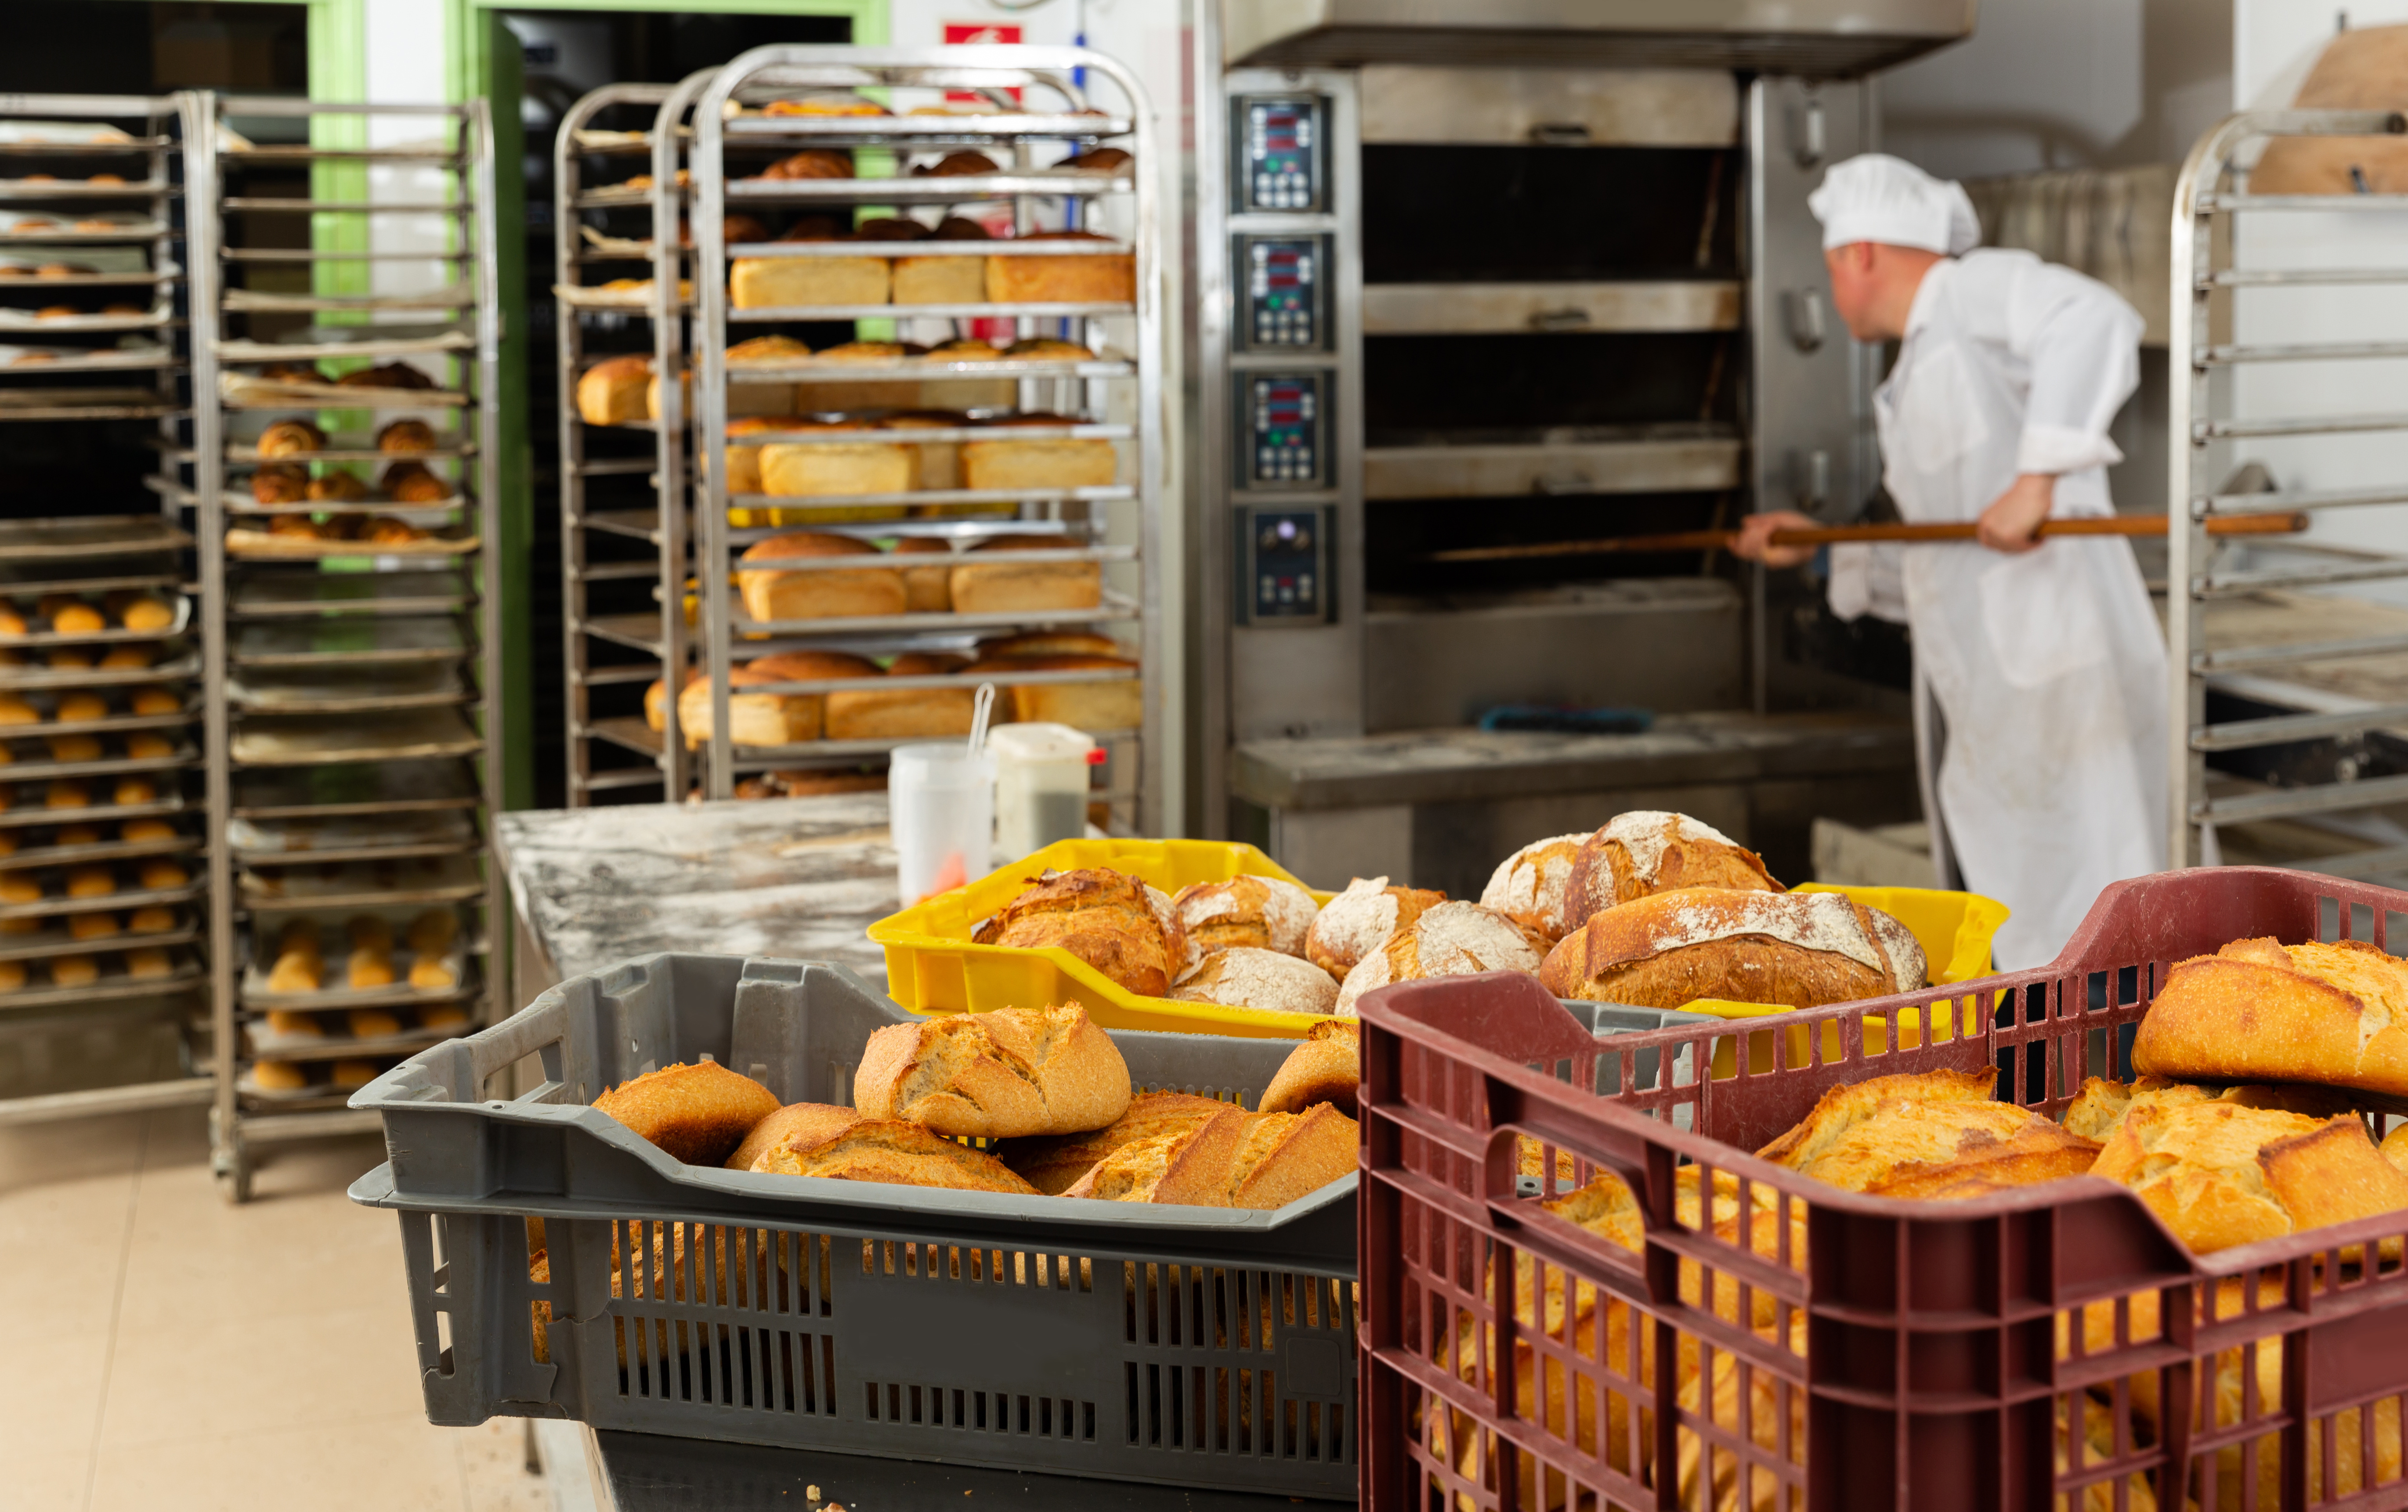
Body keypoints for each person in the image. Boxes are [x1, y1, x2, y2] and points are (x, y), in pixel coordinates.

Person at [1733, 154, 2166, 969]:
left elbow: (2096, 318)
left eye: (1831, 267)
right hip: (1998, 711)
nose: (1832, 292)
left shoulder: (1969, 296)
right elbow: (1948, 564)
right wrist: (1818, 550)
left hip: (2063, 692)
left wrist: (2037, 482)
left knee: (2109, 927)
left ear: (1859, 253)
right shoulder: (1922, 366)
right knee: (2039, 944)